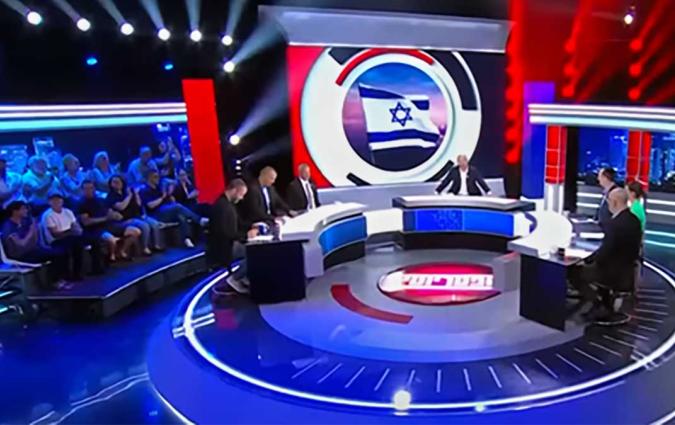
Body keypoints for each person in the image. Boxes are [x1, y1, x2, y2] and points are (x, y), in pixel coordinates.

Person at [569, 188, 642, 321]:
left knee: (573, 272)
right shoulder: (634, 220)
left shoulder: (615, 225)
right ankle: (604, 303)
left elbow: (605, 251)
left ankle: (598, 303)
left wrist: (585, 260)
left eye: (609, 201)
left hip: (611, 271)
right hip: (626, 270)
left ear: (614, 202)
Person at [1, 201, 70, 289]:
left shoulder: (24, 222)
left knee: (61, 251)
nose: (26, 211)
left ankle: (59, 280)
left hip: (31, 250)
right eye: (23, 209)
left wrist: (35, 229)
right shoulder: (8, 227)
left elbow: (33, 241)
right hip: (20, 255)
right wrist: (31, 230)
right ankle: (54, 282)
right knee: (55, 255)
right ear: (15, 211)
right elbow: (21, 244)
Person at [140, 170, 206, 248]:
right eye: (155, 177)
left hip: (166, 212)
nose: (158, 179)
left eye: (158, 177)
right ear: (149, 178)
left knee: (181, 216)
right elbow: (151, 205)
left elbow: (169, 197)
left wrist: (169, 193)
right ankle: (199, 220)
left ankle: (187, 238)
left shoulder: (159, 188)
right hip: (156, 215)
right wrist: (162, 197)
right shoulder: (144, 190)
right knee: (178, 206)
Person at [79, 180, 140, 263]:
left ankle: (121, 252)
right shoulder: (81, 204)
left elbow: (108, 211)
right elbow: (86, 222)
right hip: (94, 230)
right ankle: (111, 257)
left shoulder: (100, 200)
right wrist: (105, 218)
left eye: (91, 188)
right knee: (111, 240)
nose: (89, 190)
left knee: (135, 231)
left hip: (109, 225)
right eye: (86, 189)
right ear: (82, 190)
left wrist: (115, 215)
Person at [207, 179, 258, 270]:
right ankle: (237, 278)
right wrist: (246, 235)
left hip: (231, 243)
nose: (241, 198)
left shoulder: (229, 204)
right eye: (241, 194)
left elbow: (239, 222)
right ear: (234, 190)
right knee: (257, 252)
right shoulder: (222, 206)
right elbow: (225, 233)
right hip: (225, 249)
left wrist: (252, 225)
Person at [41, 192, 88, 280]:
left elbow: (75, 225)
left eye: (58, 200)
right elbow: (55, 234)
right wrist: (70, 231)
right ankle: (67, 275)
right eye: (53, 200)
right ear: (49, 202)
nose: (56, 202)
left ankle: (77, 273)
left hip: (71, 237)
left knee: (80, 242)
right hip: (56, 240)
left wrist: (77, 230)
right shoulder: (48, 215)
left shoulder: (68, 212)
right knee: (70, 246)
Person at [106, 174, 156, 256]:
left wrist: (136, 194)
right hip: (121, 221)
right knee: (144, 226)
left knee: (150, 224)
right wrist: (129, 196)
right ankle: (144, 248)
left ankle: (150, 246)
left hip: (133, 217)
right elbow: (121, 207)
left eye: (118, 182)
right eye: (114, 182)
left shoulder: (126, 193)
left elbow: (138, 204)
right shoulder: (111, 196)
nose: (117, 184)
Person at [594, 167, 620, 232]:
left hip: (610, 231)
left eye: (599, 176)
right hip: (602, 229)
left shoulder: (616, 193)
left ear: (605, 178)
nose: (598, 179)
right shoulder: (605, 192)